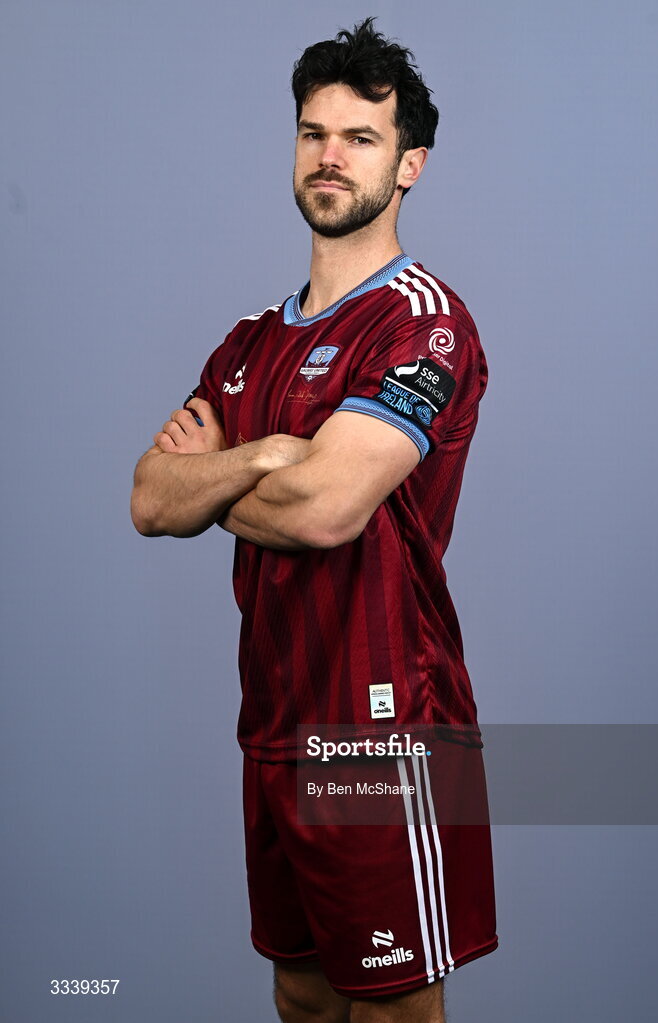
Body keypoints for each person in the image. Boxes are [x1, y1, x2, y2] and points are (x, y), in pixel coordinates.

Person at [131, 17, 497, 1023]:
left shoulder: (423, 320)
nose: (330, 155)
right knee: (300, 995)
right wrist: (267, 456)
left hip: (385, 726)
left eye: (361, 137)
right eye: (312, 133)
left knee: (391, 1009)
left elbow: (329, 508)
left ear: (409, 165)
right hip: (274, 718)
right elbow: (150, 499)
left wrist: (223, 478)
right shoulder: (248, 343)